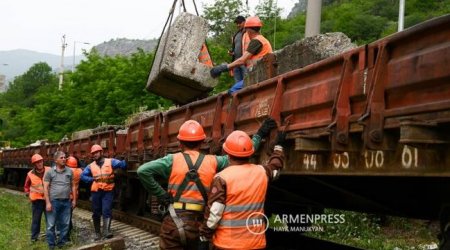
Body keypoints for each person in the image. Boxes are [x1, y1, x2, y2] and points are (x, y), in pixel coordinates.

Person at [137, 118, 276, 249]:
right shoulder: (213, 161)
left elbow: (143, 171)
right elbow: (239, 153)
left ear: (180, 142)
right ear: (202, 142)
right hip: (198, 224)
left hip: (174, 222)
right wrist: (259, 135)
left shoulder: (171, 160)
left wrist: (162, 195)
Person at [198, 130, 286, 250]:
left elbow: (214, 214)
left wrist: (204, 236)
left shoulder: (222, 178)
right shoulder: (261, 172)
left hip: (227, 245)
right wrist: (279, 147)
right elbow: (275, 168)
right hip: (256, 244)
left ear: (227, 154)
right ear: (250, 154)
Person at [210, 16, 273, 94]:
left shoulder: (256, 41)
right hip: (261, 72)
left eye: (246, 29)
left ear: (249, 30)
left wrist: (223, 68)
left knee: (233, 91)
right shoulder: (262, 39)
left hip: (258, 74)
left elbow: (242, 60)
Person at [80, 144, 127, 240]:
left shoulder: (110, 161)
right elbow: (82, 176)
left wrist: (126, 160)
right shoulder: (90, 166)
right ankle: (97, 232)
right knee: (96, 212)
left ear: (101, 152)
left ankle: (106, 231)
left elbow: (122, 164)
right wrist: (92, 179)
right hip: (96, 191)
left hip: (108, 191)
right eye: (93, 153)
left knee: (106, 210)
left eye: (97, 152)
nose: (95, 154)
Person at [43, 151, 77, 249]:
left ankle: (61, 243)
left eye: (64, 157)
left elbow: (73, 186)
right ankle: (51, 245)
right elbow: (45, 187)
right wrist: (48, 202)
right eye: (61, 158)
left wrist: (74, 200)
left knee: (65, 224)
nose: (64, 159)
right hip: (54, 202)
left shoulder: (69, 171)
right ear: (56, 160)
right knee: (51, 225)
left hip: (66, 202)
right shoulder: (50, 172)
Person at [24, 154, 51, 243]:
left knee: (50, 219)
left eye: (40, 161)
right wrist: (28, 193)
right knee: (36, 220)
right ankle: (34, 238)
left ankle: (50, 237)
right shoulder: (30, 174)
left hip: (48, 200)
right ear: (34, 164)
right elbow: (26, 186)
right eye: (37, 163)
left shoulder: (49, 170)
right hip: (37, 201)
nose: (39, 164)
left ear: (43, 161)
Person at [66, 156, 82, 241]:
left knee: (66, 216)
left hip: (67, 196)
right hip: (74, 196)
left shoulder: (67, 171)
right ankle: (70, 229)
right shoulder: (79, 171)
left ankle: (67, 235)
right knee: (69, 215)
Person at [229, 15, 249, 82]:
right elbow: (235, 47)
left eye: (239, 23)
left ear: (245, 22)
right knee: (238, 82)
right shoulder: (236, 34)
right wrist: (232, 52)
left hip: (245, 61)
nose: (238, 25)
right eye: (237, 23)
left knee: (247, 80)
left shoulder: (249, 32)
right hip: (236, 61)